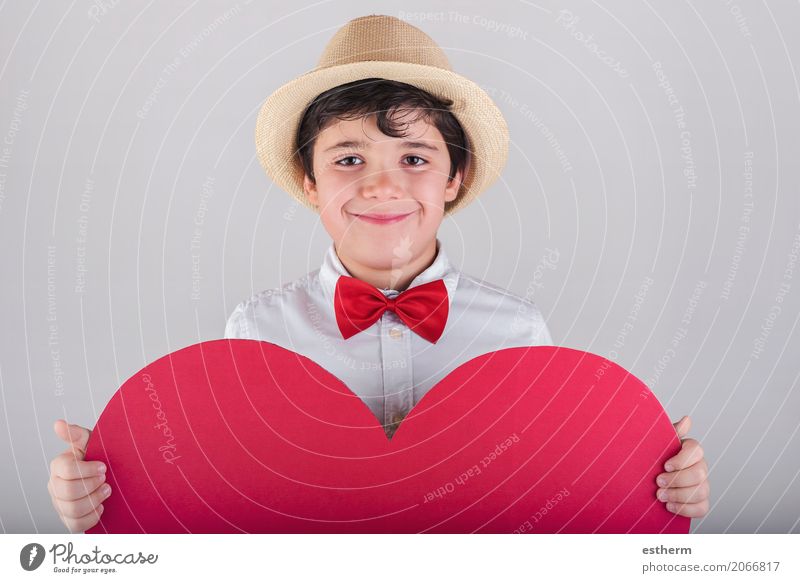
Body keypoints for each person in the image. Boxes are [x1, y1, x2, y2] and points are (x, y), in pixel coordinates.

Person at [48, 15, 709, 533]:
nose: (384, 183)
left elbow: (544, 493)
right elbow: (227, 500)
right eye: (349, 158)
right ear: (310, 181)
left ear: (456, 178)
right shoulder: (254, 330)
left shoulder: (518, 329)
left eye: (415, 157)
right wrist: (110, 489)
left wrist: (655, 483)